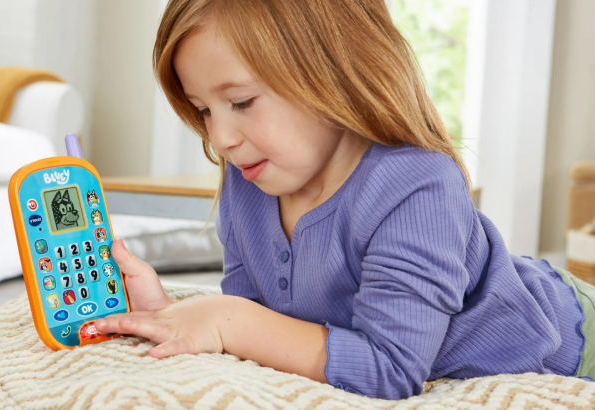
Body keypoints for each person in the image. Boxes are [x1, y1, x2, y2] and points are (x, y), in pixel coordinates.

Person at [94, 0, 595, 400]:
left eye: (242, 102)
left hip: (571, 331)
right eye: (203, 110)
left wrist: (227, 318)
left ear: (333, 70)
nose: (220, 137)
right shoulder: (247, 184)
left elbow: (391, 368)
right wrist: (174, 315)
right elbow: (253, 323)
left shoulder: (416, 186)